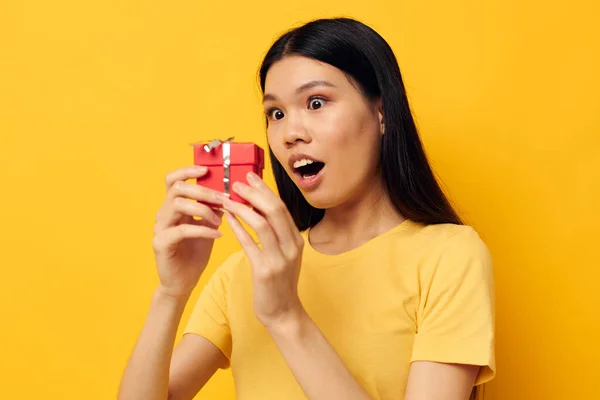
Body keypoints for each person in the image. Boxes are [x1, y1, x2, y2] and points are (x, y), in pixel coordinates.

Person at [118, 17, 495, 400]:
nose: (290, 133)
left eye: (316, 103)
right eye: (275, 113)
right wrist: (171, 292)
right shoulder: (247, 272)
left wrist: (285, 317)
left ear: (381, 112)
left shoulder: (448, 256)